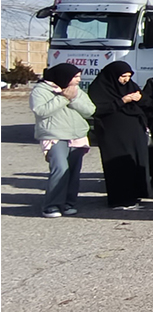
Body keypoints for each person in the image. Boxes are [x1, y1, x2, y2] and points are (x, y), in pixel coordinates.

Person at [31, 63, 95, 217]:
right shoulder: (41, 90)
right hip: (54, 135)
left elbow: (90, 110)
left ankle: (68, 202)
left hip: (76, 135)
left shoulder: (76, 90)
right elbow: (41, 111)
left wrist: (73, 99)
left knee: (73, 170)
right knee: (60, 168)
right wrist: (63, 98)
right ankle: (51, 205)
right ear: (64, 77)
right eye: (76, 77)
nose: (79, 80)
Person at [88, 60, 150, 209]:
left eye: (128, 76)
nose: (126, 80)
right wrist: (122, 101)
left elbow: (146, 102)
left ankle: (134, 195)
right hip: (113, 133)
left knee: (134, 162)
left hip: (134, 132)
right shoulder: (100, 88)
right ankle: (119, 199)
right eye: (123, 76)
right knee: (118, 165)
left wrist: (140, 99)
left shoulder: (130, 86)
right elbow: (98, 109)